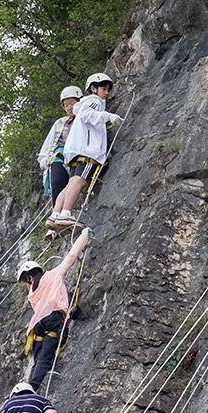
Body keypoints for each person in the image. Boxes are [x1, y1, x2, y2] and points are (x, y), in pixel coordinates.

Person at [16, 227, 91, 391]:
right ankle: (32, 388)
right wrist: (84, 236)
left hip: (36, 328)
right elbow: (71, 257)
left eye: (26, 284)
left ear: (29, 277)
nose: (27, 287)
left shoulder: (31, 295)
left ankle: (29, 387)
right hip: (53, 320)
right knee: (45, 358)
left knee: (38, 360)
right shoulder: (53, 275)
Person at [48, 72, 123, 229]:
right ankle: (65, 213)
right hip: (88, 150)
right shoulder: (95, 101)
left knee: (70, 183)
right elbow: (88, 115)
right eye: (104, 88)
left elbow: (84, 115)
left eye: (109, 89)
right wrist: (109, 116)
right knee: (80, 180)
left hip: (75, 149)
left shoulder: (84, 103)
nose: (107, 93)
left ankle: (55, 214)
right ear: (94, 88)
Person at [38, 86, 83, 204]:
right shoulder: (60, 123)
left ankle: (67, 212)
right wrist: (43, 158)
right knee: (58, 182)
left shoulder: (85, 118)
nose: (69, 107)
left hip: (78, 154)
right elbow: (49, 142)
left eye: (72, 103)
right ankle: (57, 214)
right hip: (60, 156)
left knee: (74, 183)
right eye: (66, 105)